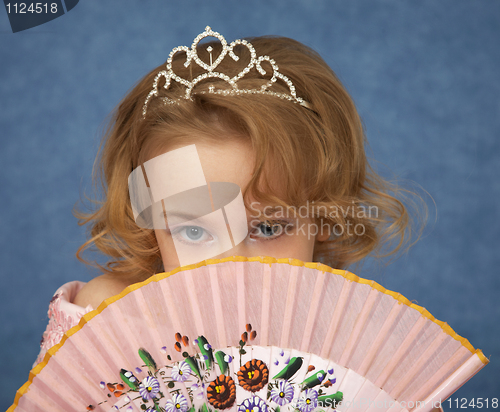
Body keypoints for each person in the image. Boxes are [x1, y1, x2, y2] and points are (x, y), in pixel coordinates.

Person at [34, 27, 420, 366]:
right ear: (152, 229)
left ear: (323, 217)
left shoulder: (359, 344)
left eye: (267, 227)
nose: (232, 267)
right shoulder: (111, 316)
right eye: (194, 233)